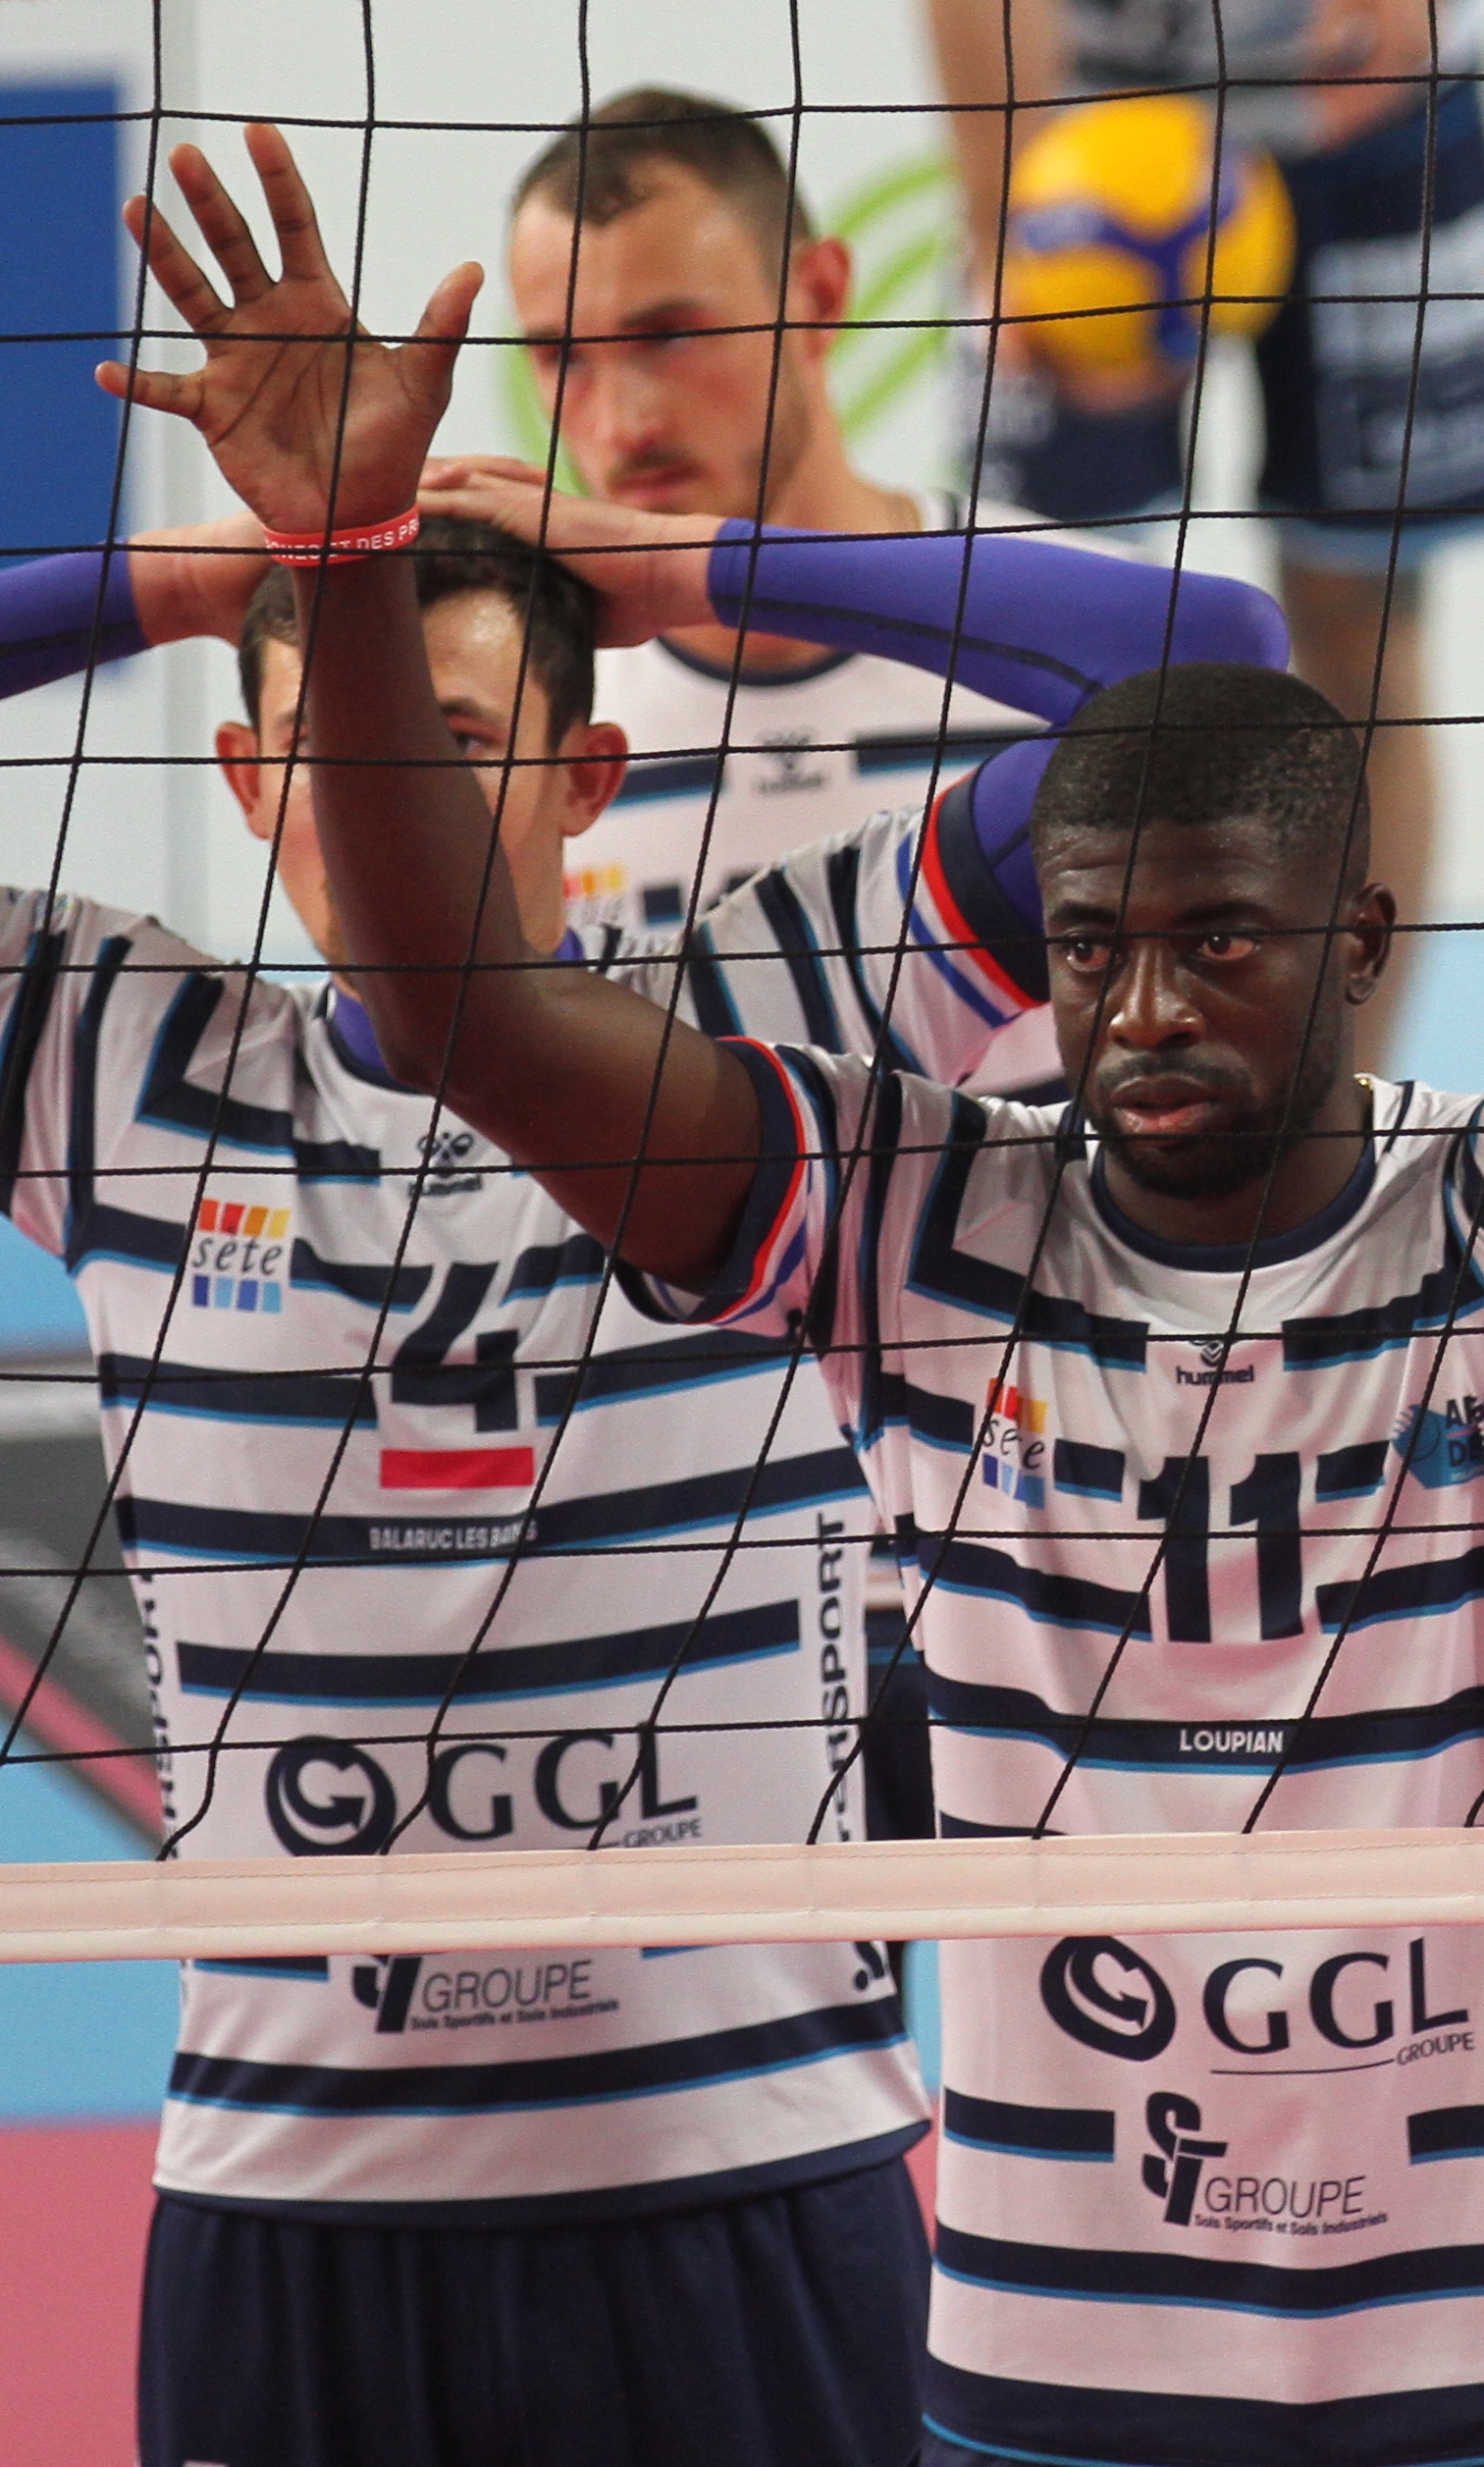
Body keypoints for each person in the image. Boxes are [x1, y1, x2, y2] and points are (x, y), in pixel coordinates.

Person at [117, 91, 1484, 2467]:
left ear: (1357, 941)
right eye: (1088, 952)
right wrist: (338, 553)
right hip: (1066, 2371)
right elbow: (461, 1012)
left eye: (1217, 942)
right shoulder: (910, 1232)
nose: (1141, 1007)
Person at [0, 491, 1282, 2462]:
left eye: (452, 735)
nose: (385, 797)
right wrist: (187, 577)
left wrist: (679, 567)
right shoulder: (112, 1061)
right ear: (248, 780)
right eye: (326, 744)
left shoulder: (772, 1013)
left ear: (590, 775)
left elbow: (1212, 678)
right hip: (297, 2204)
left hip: (751, 2176)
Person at [928, 0, 1484, 1068]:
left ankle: (1351, 1095)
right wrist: (1005, 224)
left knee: (1360, 634)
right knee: (1051, 644)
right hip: (1091, 133)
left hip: (1365, 107)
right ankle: (1056, 1088)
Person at [508, 86, 1048, 1072]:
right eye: (562, 358)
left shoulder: (1071, 633)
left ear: (820, 297)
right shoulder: (517, 713)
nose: (622, 422)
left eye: (670, 335)